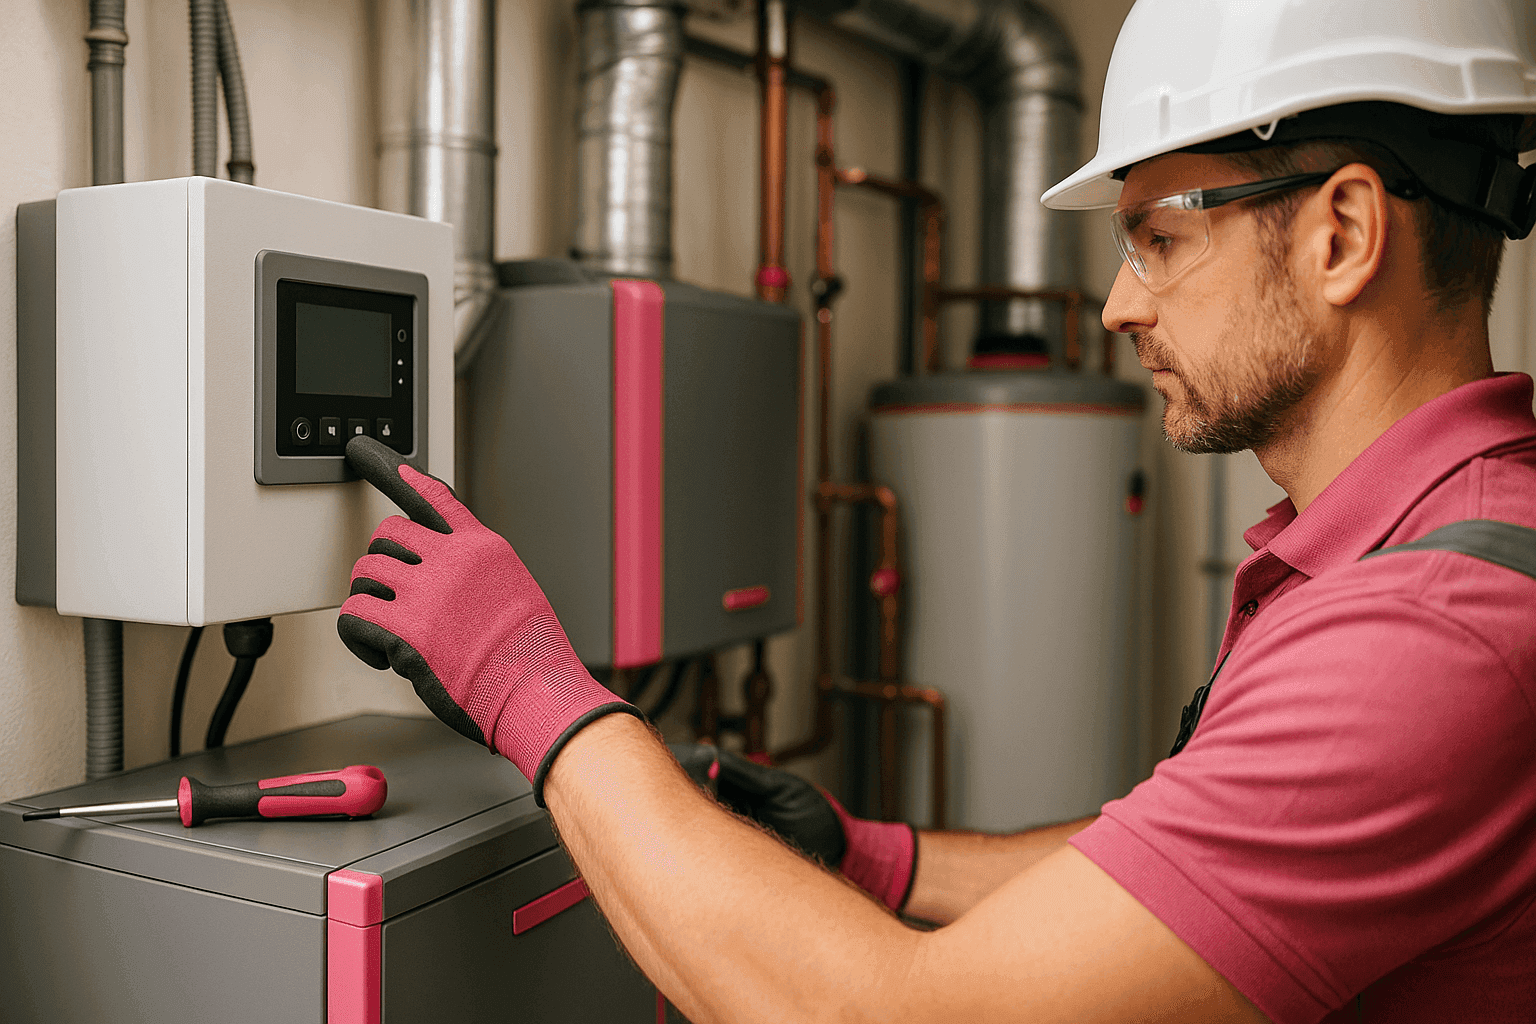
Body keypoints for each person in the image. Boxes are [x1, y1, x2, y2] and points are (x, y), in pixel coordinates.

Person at [335, 1, 1536, 1020]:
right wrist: (880, 858)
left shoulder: (1429, 633)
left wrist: (526, 678)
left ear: (1343, 233)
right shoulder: (1399, 549)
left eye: (1161, 238)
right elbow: (1162, 878)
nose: (1120, 305)